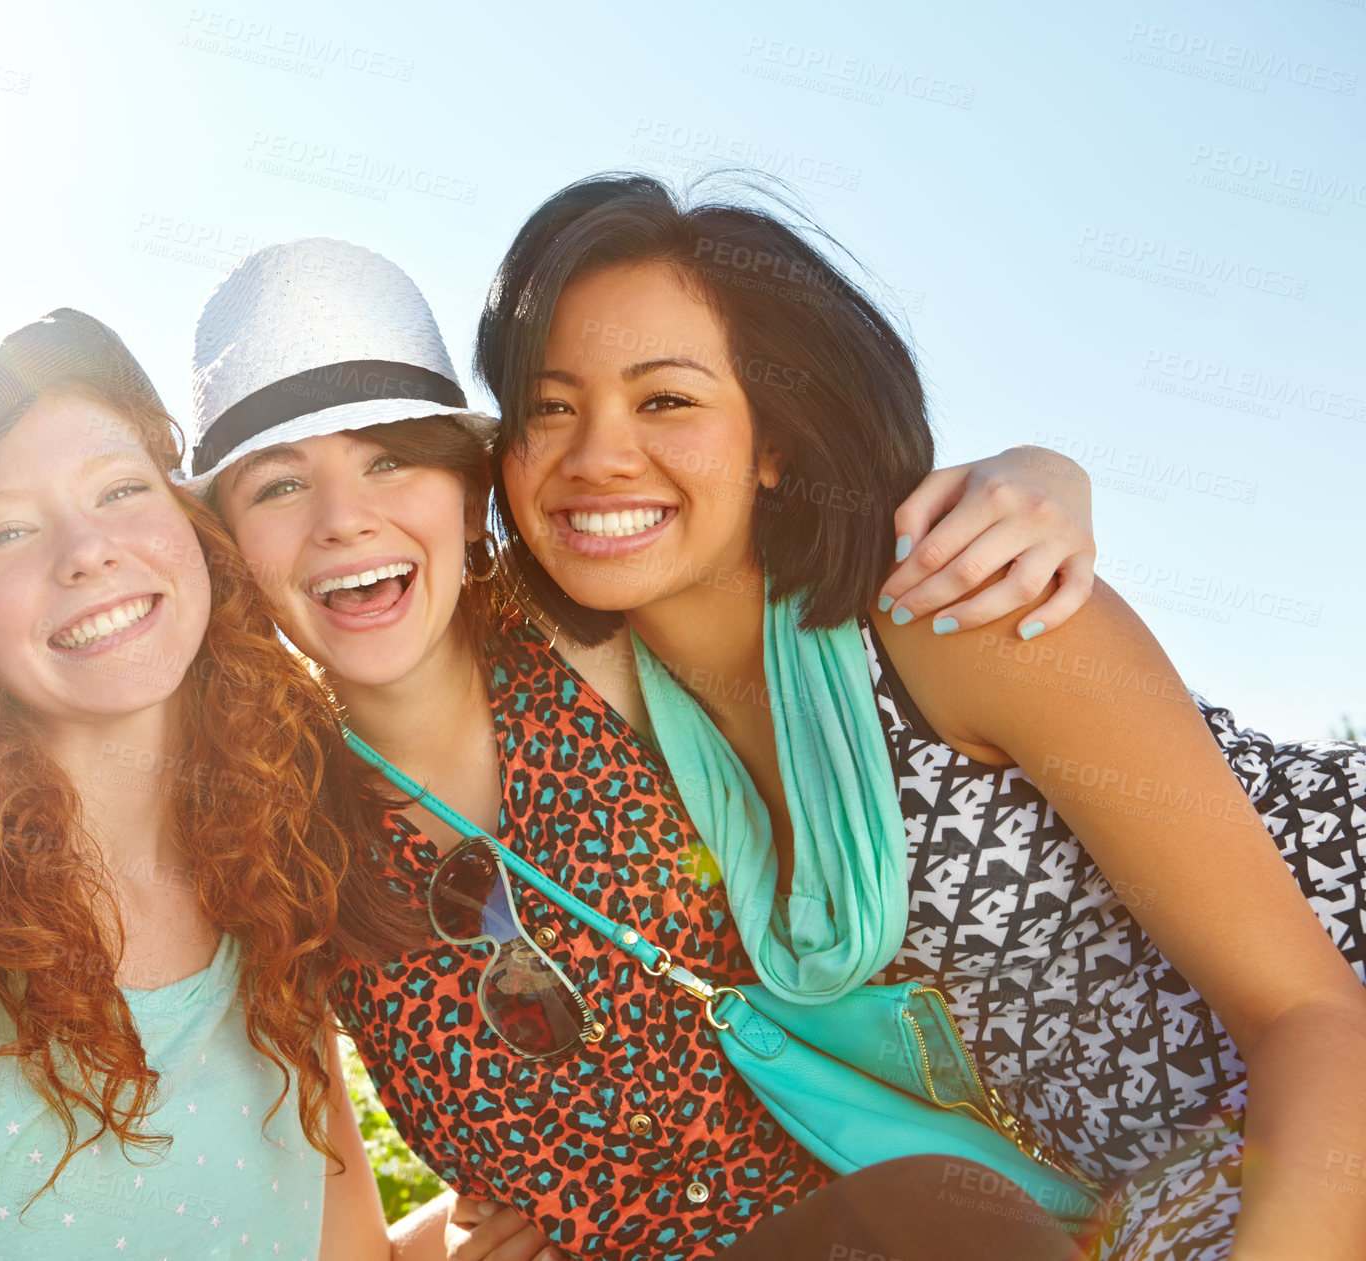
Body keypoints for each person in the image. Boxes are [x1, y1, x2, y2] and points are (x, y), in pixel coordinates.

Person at [0, 240, 1101, 1261]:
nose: (346, 522)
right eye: (279, 483)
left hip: (882, 1215)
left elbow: (775, 508)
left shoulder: (587, 640)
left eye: (394, 461)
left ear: (474, 488)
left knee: (945, 1217)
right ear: (227, 537)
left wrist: (1032, 473)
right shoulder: (276, 835)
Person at [467, 173, 1366, 1260]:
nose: (595, 453)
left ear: (776, 441)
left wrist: (1049, 469)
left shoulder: (949, 609)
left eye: (666, 400)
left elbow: (1311, 1016)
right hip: (1156, 1187)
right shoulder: (608, 731)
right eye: (549, 406)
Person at [0, 311, 428, 1260]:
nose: (86, 549)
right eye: (7, 531)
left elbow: (346, 1252)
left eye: (122, 488)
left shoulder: (269, 901)